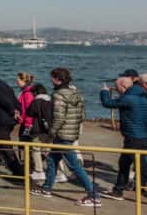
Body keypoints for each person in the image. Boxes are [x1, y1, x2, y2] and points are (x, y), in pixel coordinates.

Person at [32, 68, 99, 206]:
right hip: (72, 132)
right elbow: (82, 116)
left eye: (53, 78)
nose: (51, 80)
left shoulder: (58, 95)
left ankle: (93, 195)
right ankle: (47, 188)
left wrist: (51, 132)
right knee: (52, 160)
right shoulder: (77, 94)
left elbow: (59, 118)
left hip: (61, 134)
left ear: (58, 80)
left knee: (74, 166)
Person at [99, 75, 147, 200]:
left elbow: (107, 103)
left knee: (143, 169)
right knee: (124, 163)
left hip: (133, 138)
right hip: (141, 136)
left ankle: (118, 190)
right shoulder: (143, 97)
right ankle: (118, 190)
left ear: (123, 86)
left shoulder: (129, 98)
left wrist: (104, 92)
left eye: (117, 88)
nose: (117, 90)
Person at [16, 72, 44, 180]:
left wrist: (23, 120)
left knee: (26, 145)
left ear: (24, 81)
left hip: (28, 124)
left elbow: (28, 110)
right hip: (27, 123)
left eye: (18, 79)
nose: (16, 81)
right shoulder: (26, 92)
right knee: (25, 145)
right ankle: (29, 166)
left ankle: (30, 168)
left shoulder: (27, 93)